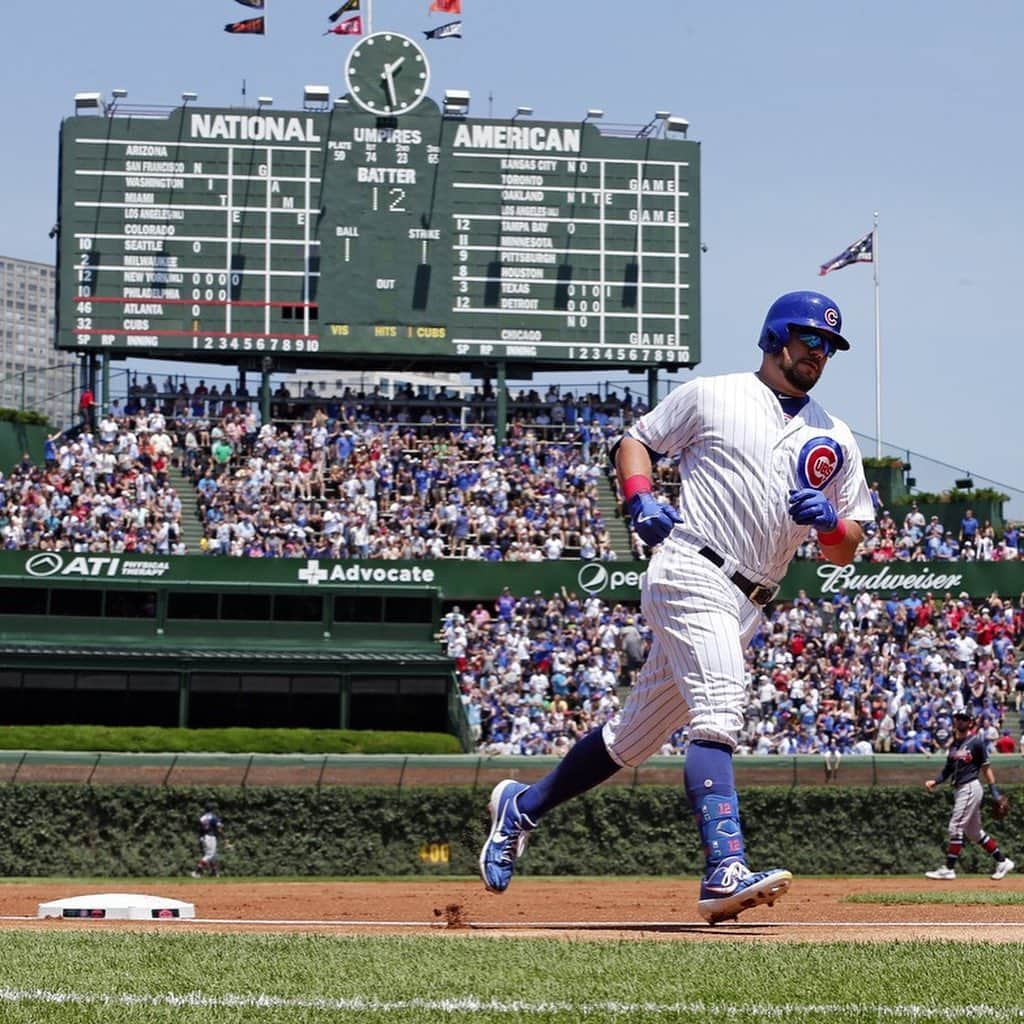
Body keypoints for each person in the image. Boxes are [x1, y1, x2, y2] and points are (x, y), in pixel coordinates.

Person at [478, 290, 875, 923]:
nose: (819, 353)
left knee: (629, 740)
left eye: (829, 346)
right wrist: (638, 500)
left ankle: (520, 807)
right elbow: (636, 442)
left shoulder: (836, 437)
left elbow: (847, 548)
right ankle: (725, 867)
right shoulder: (712, 394)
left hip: (750, 600)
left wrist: (829, 525)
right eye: (809, 339)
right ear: (775, 337)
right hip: (693, 565)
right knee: (721, 704)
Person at [924, 710, 1014, 881]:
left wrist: (994, 792)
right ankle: (1002, 861)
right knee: (973, 832)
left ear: (970, 723)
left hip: (970, 786)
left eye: (965, 718)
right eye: (958, 718)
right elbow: (948, 770)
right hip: (960, 788)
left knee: (955, 826)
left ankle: (949, 869)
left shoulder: (976, 742)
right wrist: (935, 782)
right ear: (954, 721)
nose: (961, 721)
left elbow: (986, 768)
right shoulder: (954, 745)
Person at [191, 803, 226, 878]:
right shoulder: (213, 817)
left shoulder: (202, 818)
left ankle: (214, 873)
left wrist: (200, 838)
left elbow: (200, 829)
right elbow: (219, 827)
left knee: (213, 856)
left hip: (204, 837)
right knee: (209, 855)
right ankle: (197, 872)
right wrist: (224, 838)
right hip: (211, 837)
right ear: (212, 809)